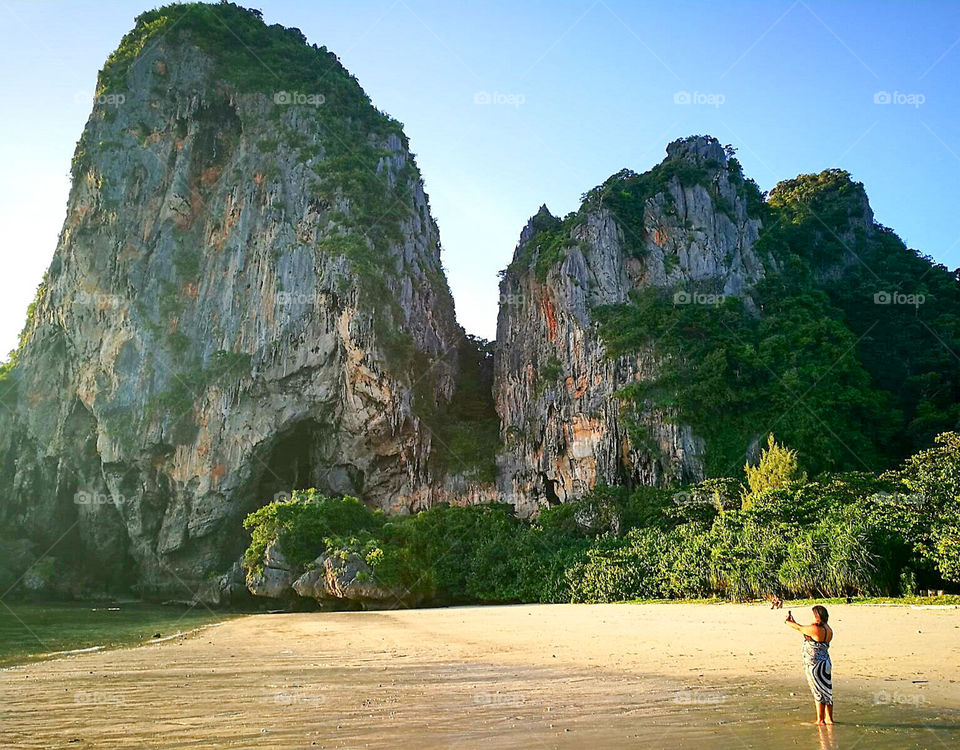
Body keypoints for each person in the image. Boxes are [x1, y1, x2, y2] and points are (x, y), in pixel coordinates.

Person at [786, 605, 834, 725]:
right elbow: (802, 628)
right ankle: (829, 719)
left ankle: (820, 720)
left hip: (815, 665)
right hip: (826, 662)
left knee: (818, 691)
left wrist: (788, 621)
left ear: (817, 616)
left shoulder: (816, 629)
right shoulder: (828, 629)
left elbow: (798, 628)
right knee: (827, 691)